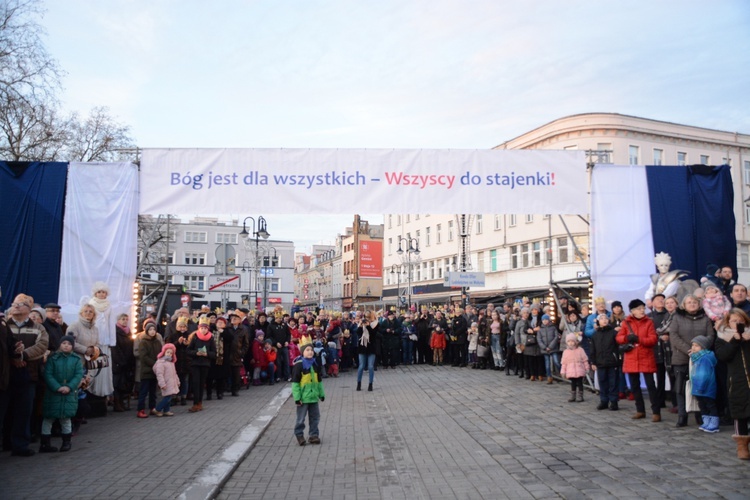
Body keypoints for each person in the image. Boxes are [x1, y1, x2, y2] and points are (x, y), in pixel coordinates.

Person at [670, 294, 715, 427]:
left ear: (699, 304)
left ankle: (700, 415)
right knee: (680, 388)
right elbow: (674, 335)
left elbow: (710, 335)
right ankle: (682, 415)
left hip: (702, 359)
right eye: (689, 302)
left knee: (700, 387)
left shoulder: (705, 318)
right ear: (684, 305)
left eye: (694, 302)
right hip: (681, 357)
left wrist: (699, 349)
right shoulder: (677, 317)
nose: (692, 304)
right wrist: (689, 350)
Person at [714, 309, 750, 459]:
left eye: (740, 321)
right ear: (728, 322)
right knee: (739, 410)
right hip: (736, 380)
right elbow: (723, 356)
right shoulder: (722, 338)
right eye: (734, 321)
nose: (737, 324)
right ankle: (742, 445)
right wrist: (735, 340)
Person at [616, 299, 660, 422]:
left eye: (643, 308)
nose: (642, 310)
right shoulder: (626, 322)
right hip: (631, 357)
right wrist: (626, 337)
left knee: (651, 386)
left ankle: (656, 412)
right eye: (639, 308)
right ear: (633, 311)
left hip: (646, 356)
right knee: (635, 387)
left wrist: (639, 339)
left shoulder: (649, 322)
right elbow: (618, 338)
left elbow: (652, 339)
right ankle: (640, 410)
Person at [39, 335, 83, 453]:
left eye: (69, 344)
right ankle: (45, 443)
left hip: (68, 393)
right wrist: (57, 387)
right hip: (53, 393)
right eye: (64, 343)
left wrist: (69, 387)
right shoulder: (53, 358)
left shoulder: (76, 359)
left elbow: (78, 375)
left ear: (72, 346)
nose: (66, 345)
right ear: (60, 345)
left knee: (66, 418)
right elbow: (48, 374)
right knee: (48, 418)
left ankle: (66, 442)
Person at [292, 341, 325, 446]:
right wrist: (297, 398)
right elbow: (295, 383)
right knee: (300, 419)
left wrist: (321, 394)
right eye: (307, 350)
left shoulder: (315, 364)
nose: (310, 352)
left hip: (314, 397)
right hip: (303, 398)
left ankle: (313, 435)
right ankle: (299, 435)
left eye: (311, 350)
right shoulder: (299, 365)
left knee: (315, 417)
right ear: (302, 352)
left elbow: (319, 381)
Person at [87, 282, 116, 399]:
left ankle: (103, 391)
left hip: (105, 339)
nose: (101, 294)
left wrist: (112, 341)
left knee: (103, 364)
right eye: (99, 292)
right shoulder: (91, 304)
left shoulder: (109, 305)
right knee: (93, 363)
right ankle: (90, 388)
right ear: (95, 293)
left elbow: (111, 323)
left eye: (103, 292)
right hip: (94, 339)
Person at [689, 335, 720, 433]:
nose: (693, 347)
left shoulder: (705, 358)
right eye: (693, 345)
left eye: (697, 346)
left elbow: (704, 374)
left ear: (703, 347)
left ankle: (714, 423)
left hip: (705, 387)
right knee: (702, 405)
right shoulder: (696, 357)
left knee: (710, 404)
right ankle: (706, 422)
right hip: (698, 386)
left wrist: (700, 387)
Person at [187, 317, 216, 412]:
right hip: (195, 363)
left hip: (205, 364)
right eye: (202, 328)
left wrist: (207, 354)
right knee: (195, 383)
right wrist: (196, 353)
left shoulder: (211, 338)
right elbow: (188, 351)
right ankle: (195, 403)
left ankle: (199, 403)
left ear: (208, 329)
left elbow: (214, 353)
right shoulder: (195, 337)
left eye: (205, 328)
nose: (203, 330)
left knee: (201, 383)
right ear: (199, 328)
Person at [591, 314, 619, 410]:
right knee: (602, 382)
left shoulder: (613, 333)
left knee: (613, 382)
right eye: (601, 319)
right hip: (600, 362)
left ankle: (614, 401)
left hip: (612, 362)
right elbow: (593, 349)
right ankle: (604, 401)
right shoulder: (595, 335)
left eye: (606, 318)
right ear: (598, 321)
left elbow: (618, 347)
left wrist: (617, 359)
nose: (604, 320)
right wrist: (593, 362)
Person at [135, 322, 162, 418]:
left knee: (153, 392)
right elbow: (143, 357)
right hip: (146, 371)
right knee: (143, 391)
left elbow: (160, 353)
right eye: (150, 330)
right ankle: (140, 409)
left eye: (154, 330)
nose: (152, 331)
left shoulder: (157, 342)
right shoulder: (143, 342)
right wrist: (155, 363)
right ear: (146, 331)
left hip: (155, 371)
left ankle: (152, 408)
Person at [111, 313, 135, 412]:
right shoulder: (116, 332)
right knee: (117, 384)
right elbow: (115, 348)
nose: (125, 321)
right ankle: (117, 403)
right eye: (123, 319)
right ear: (118, 320)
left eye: (126, 319)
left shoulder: (128, 332)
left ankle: (122, 402)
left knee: (124, 384)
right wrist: (120, 361)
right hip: (119, 362)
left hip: (127, 362)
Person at [206, 317, 231, 400]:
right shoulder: (210, 331)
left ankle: (219, 393)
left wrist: (223, 332)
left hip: (222, 357)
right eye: (218, 322)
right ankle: (209, 394)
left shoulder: (227, 331)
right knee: (209, 377)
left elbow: (230, 339)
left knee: (220, 377)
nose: (220, 324)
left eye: (222, 322)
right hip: (211, 357)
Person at [560, 333, 590, 402]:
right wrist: (563, 371)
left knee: (580, 383)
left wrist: (587, 368)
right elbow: (564, 363)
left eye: (572, 341)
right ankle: (573, 395)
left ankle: (580, 395)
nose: (570, 343)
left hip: (579, 369)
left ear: (575, 342)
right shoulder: (566, 352)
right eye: (569, 341)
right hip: (571, 370)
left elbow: (585, 360)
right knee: (573, 383)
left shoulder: (580, 350)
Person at [152, 343, 179, 417]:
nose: (169, 354)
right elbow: (159, 374)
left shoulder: (171, 362)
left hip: (171, 382)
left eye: (171, 353)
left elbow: (174, 373)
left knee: (169, 396)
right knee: (167, 397)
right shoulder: (161, 362)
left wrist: (177, 381)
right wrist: (162, 384)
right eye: (168, 352)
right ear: (164, 352)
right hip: (166, 383)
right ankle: (157, 409)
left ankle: (166, 410)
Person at [356, 311, 379, 391]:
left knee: (370, 366)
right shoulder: (362, 323)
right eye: (366, 317)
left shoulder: (376, 324)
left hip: (371, 346)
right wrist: (360, 325)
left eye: (368, 317)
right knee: (361, 366)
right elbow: (358, 333)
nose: (367, 319)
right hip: (362, 346)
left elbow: (373, 334)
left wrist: (368, 326)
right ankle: (358, 383)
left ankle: (370, 384)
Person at [538, 314, 560, 384]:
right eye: (543, 320)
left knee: (556, 362)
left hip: (553, 348)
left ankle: (562, 373)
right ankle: (549, 377)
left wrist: (550, 346)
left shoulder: (553, 327)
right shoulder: (540, 329)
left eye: (546, 319)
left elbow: (556, 337)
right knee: (547, 364)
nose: (544, 321)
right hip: (545, 349)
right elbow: (539, 339)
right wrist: (544, 347)